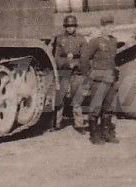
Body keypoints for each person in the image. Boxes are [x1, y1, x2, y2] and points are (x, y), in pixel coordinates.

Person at [79, 15, 119, 145]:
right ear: (102, 27)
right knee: (95, 108)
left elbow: (113, 60)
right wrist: (88, 75)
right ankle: (94, 135)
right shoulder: (95, 42)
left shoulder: (113, 41)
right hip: (98, 80)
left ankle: (106, 133)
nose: (109, 29)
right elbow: (84, 59)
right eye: (107, 26)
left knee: (108, 108)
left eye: (111, 26)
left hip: (110, 79)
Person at [51, 15, 87, 129]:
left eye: (72, 26)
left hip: (77, 72)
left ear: (76, 26)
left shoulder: (81, 39)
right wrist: (66, 63)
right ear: (65, 27)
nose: (70, 28)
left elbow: (85, 57)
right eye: (68, 26)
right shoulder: (60, 39)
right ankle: (57, 123)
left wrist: (76, 64)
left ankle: (79, 124)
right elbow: (56, 58)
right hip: (64, 71)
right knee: (60, 98)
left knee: (77, 99)